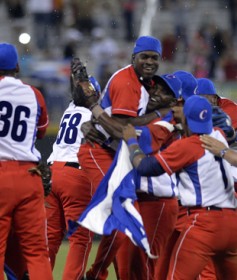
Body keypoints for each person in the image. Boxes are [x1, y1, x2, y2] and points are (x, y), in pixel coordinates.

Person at [76, 71, 183, 279]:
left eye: (163, 91)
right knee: (129, 271)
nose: (155, 91)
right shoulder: (152, 114)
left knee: (148, 271)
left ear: (174, 101)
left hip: (158, 202)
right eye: (156, 86)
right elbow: (127, 126)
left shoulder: (167, 122)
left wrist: (96, 116)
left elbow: (125, 134)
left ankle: (95, 274)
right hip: (141, 198)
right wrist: (95, 125)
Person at [122, 95, 237, 279]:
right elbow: (226, 128)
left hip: (204, 223)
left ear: (186, 120)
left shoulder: (188, 145)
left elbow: (146, 167)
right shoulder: (219, 136)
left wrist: (132, 143)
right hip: (232, 225)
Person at [45, 59, 102, 280]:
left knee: (49, 238)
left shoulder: (71, 109)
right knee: (80, 238)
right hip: (75, 174)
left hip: (51, 172)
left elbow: (77, 93)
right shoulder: (96, 112)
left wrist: (77, 78)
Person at [0, 43, 53, 280]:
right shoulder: (34, 93)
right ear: (17, 66)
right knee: (37, 253)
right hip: (30, 174)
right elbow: (41, 131)